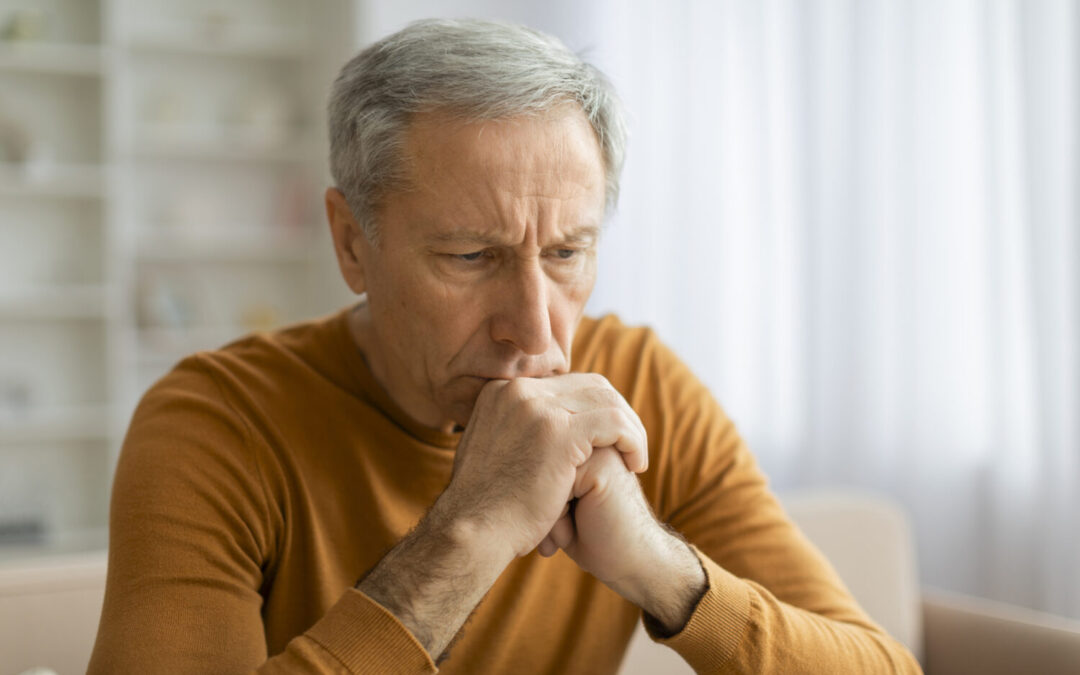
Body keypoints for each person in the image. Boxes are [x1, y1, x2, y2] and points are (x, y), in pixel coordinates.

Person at [89, 18, 921, 674]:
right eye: (470, 257)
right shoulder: (215, 422)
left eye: (566, 254)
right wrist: (470, 529)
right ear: (351, 243)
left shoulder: (639, 389)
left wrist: (659, 569)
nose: (534, 326)